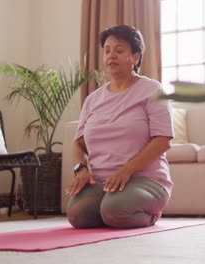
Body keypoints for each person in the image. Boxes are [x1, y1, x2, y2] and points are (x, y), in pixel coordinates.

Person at [65, 25, 173, 229]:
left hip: (145, 180)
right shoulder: (93, 99)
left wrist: (126, 170)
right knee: (77, 215)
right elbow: (79, 144)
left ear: (135, 57)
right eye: (107, 50)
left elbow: (162, 142)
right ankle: (111, 213)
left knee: (114, 210)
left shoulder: (152, 90)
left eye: (119, 50)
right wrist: (81, 169)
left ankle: (150, 215)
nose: (111, 55)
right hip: (102, 183)